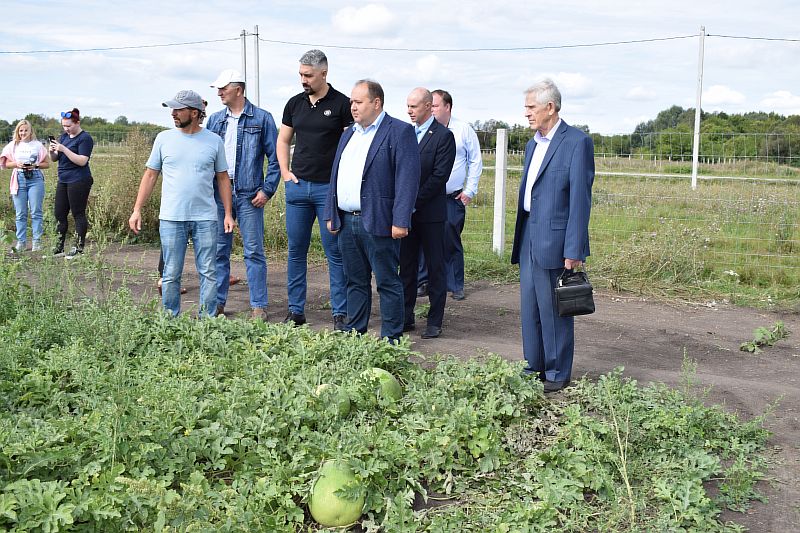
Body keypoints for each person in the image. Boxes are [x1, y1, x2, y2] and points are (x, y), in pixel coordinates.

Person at [510, 79, 594, 393]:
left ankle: (558, 373)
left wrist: (574, 248)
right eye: (526, 107)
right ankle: (534, 367)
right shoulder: (533, 144)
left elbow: (580, 201)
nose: (526, 113)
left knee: (554, 309)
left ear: (550, 107)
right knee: (530, 307)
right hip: (530, 234)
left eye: (531, 107)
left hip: (557, 242)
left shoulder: (576, 142)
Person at [324, 80, 420, 342]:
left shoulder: (399, 131)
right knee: (354, 281)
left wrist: (401, 220)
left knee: (387, 281)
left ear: (376, 103)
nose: (352, 107)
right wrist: (331, 212)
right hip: (346, 219)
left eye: (358, 102)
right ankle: (356, 333)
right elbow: (336, 174)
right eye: (351, 102)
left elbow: (407, 179)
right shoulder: (349, 133)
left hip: (379, 220)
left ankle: (391, 339)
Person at [129, 90, 234, 317]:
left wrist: (227, 213)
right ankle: (170, 320)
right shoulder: (163, 139)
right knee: (171, 272)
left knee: (208, 271)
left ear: (195, 113)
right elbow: (150, 175)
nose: (174, 114)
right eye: (172, 109)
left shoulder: (213, 141)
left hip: (205, 217)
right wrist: (137, 209)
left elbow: (223, 178)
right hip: (171, 217)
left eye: (179, 110)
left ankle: (207, 321)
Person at [277, 49, 352, 329]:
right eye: (300, 74)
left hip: (327, 192)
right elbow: (283, 140)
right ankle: (296, 311)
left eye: (308, 75)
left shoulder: (343, 104)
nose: (303, 80)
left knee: (335, 252)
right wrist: (285, 172)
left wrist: (338, 183)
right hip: (297, 190)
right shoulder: (294, 104)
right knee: (296, 251)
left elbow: (349, 147)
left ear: (324, 73)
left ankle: (340, 314)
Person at [207, 69, 280, 320]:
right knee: (219, 250)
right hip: (219, 194)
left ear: (238, 89)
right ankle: (217, 303)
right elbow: (208, 158)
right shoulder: (215, 120)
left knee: (253, 251)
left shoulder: (262, 119)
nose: (219, 92)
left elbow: (276, 158)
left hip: (249, 195)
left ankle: (258, 305)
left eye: (223, 88)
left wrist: (267, 190)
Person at [399, 88, 455, 339]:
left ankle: (435, 321)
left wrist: (413, 200)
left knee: (435, 268)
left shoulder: (443, 137)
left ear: (428, 106)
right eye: (407, 106)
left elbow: (439, 177)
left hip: (430, 214)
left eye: (414, 106)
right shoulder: (403, 133)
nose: (409, 111)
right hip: (406, 215)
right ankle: (406, 316)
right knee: (407, 268)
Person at [418, 89, 483, 301]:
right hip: (426, 197)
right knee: (421, 239)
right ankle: (423, 281)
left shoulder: (463, 130)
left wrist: (469, 191)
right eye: (430, 106)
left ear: (448, 107)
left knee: (450, 239)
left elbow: (475, 161)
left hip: (451, 197)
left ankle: (455, 284)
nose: (432, 109)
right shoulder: (419, 130)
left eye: (435, 106)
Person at [49, 108, 94, 258]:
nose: (66, 129)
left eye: (69, 126)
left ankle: (79, 248)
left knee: (78, 213)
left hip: (79, 180)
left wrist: (64, 149)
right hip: (63, 179)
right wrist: (53, 151)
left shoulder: (85, 138)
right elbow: (55, 159)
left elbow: (82, 161)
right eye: (64, 126)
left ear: (77, 123)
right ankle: (59, 247)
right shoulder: (63, 137)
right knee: (59, 214)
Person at [1, 120, 50, 252]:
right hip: (19, 178)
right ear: (18, 132)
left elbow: (47, 163)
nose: (23, 133)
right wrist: (17, 164)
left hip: (35, 178)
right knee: (21, 213)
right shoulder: (13, 146)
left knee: (36, 212)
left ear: (30, 131)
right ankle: (21, 243)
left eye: (25, 130)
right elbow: (4, 164)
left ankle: (37, 242)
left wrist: (36, 165)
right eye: (20, 130)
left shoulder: (38, 145)